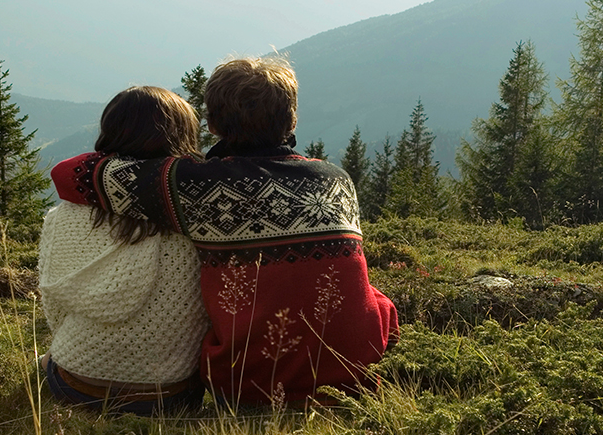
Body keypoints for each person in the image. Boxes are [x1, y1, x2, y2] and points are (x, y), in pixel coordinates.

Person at [52, 57, 399, 408]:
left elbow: (69, 173)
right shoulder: (335, 179)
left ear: (213, 124)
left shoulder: (195, 184)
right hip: (353, 377)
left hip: (247, 388)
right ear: (291, 118)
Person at [38, 86, 210, 415]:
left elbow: (54, 305)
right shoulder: (197, 216)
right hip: (169, 397)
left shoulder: (65, 215)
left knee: (47, 360)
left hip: (76, 385)